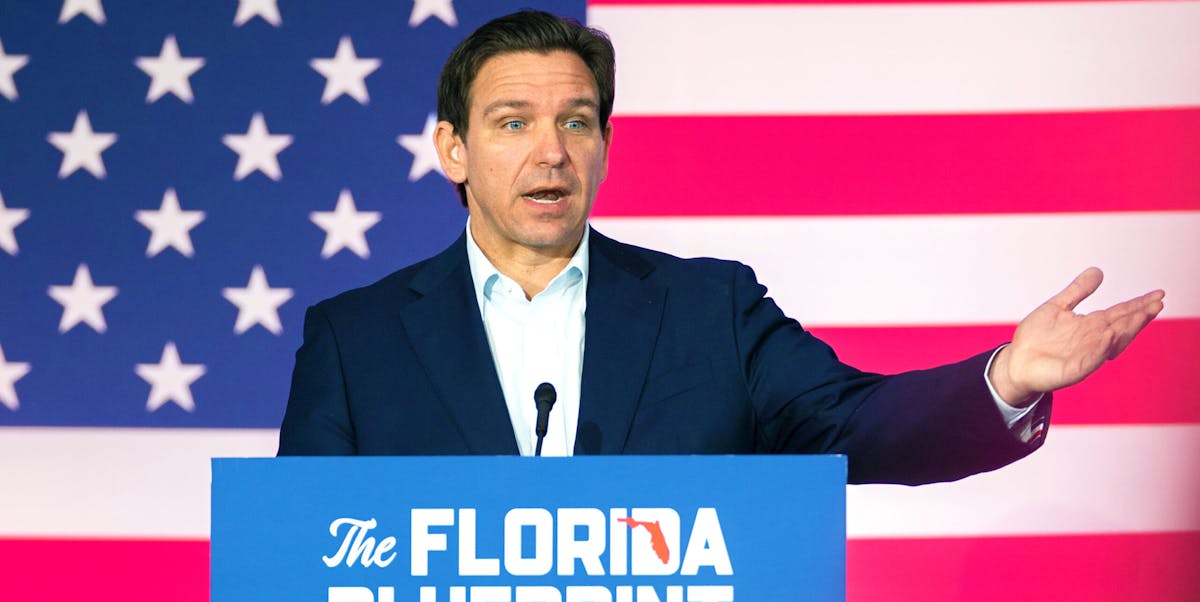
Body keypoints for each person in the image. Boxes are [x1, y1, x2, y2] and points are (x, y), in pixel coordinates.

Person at [277, 11, 1164, 485]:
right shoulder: (355, 340)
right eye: (513, 123)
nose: (551, 152)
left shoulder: (709, 310)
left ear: (604, 145)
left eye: (576, 122)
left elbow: (855, 426)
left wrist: (1007, 377)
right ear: (453, 149)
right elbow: (304, 563)